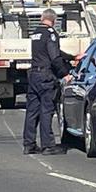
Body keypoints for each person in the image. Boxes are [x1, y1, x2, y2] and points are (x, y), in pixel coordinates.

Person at [23, 9, 74, 156]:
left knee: (32, 111)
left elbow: (54, 52)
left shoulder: (36, 34)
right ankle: (47, 145)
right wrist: (65, 74)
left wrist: (71, 57)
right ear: (54, 20)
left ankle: (29, 144)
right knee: (46, 110)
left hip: (33, 75)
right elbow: (54, 57)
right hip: (46, 76)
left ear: (41, 18)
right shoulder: (51, 34)